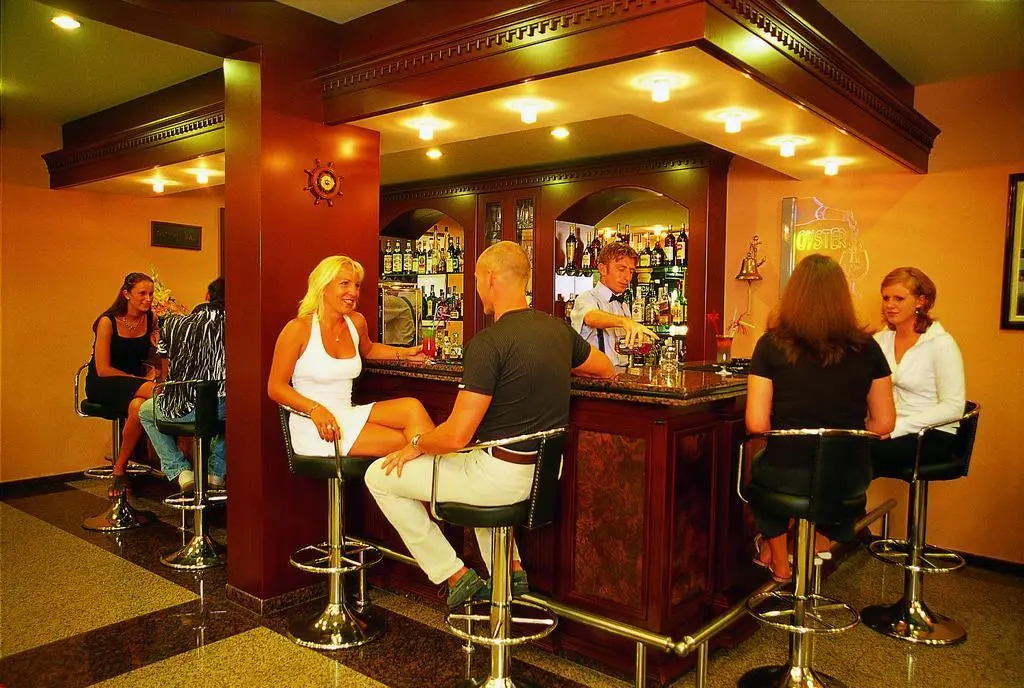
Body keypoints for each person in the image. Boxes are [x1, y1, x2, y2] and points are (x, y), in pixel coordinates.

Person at [365, 241, 614, 609]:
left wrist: (415, 444)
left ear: (492, 278)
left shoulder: (487, 344)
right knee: (473, 466)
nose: (477, 287)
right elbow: (606, 368)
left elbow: (456, 435)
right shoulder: (558, 331)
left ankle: (454, 574)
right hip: (544, 476)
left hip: (499, 481)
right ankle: (509, 568)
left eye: (477, 279)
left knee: (378, 476)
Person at [746, 255, 895, 582]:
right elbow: (884, 423)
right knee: (826, 482)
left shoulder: (770, 345)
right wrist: (846, 436)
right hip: (848, 477)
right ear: (842, 297)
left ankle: (779, 560)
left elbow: (756, 423)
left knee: (761, 470)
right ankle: (817, 542)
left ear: (794, 295)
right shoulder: (868, 348)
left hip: (787, 474)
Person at [267, 255, 435, 460]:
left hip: (347, 413)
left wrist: (405, 354)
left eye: (356, 285)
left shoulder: (356, 322)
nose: (353, 292)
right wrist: (314, 409)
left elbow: (369, 350)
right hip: (316, 425)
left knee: (412, 408)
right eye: (344, 284)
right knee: (414, 442)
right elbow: (276, 387)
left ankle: (434, 476)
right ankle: (440, 475)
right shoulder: (298, 329)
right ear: (323, 286)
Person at [871, 267, 965, 473]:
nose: (889, 305)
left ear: (920, 301)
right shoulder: (880, 340)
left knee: (858, 455)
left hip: (932, 434)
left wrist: (898, 427)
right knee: (838, 448)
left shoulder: (941, 343)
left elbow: (954, 407)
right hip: (888, 428)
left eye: (899, 299)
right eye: (886, 298)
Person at [139, 277, 227, 492]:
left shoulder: (172, 324)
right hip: (222, 408)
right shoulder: (240, 325)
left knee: (145, 410)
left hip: (183, 410)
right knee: (237, 413)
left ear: (207, 296)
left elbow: (167, 372)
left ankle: (180, 470)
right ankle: (216, 473)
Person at [86, 272, 158, 498]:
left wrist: (157, 348)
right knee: (157, 391)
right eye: (142, 293)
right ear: (126, 294)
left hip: (134, 384)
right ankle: (178, 455)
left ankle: (120, 467)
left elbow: (154, 355)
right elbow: (103, 369)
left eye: (151, 294)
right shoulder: (107, 321)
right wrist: (140, 380)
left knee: (138, 407)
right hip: (103, 383)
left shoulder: (151, 319)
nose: (148, 299)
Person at [570, 241, 657, 367]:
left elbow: (622, 348)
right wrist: (624, 321)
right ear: (603, 269)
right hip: (594, 375)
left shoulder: (623, 305)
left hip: (621, 372)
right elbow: (591, 317)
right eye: (621, 269)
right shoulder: (586, 298)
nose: (627, 278)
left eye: (631, 271)